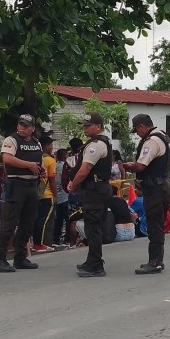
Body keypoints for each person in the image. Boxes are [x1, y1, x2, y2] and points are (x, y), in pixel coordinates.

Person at [0, 114, 45, 273]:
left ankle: (20, 257)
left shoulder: (36, 143)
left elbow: (38, 161)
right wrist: (29, 165)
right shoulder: (11, 140)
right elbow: (7, 159)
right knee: (9, 222)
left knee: (28, 222)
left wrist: (40, 169)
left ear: (32, 129)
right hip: (16, 184)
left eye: (26, 125)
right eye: (20, 124)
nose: (22, 127)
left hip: (32, 184)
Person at [122, 113, 170, 274]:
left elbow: (141, 166)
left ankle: (155, 261)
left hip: (155, 188)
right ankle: (158, 259)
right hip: (162, 185)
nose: (137, 134)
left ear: (142, 126)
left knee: (154, 223)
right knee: (157, 222)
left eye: (137, 130)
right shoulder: (162, 136)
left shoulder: (151, 141)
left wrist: (128, 166)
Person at [65, 112, 113, 277]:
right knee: (93, 226)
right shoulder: (97, 143)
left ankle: (96, 265)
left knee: (93, 227)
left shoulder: (96, 145)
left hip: (95, 190)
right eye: (84, 125)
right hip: (97, 189)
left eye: (88, 125)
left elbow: (84, 170)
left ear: (98, 126)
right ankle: (92, 260)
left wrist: (73, 184)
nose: (84, 128)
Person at [34, 133, 57, 255]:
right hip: (47, 194)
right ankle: (41, 243)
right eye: (50, 145)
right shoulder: (50, 160)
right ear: (45, 146)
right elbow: (52, 179)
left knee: (37, 218)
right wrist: (55, 194)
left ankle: (36, 242)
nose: (51, 147)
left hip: (37, 193)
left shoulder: (37, 158)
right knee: (45, 220)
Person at [51, 149, 72, 247]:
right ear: (65, 156)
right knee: (68, 219)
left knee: (58, 220)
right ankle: (68, 238)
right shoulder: (65, 166)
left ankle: (55, 239)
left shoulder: (54, 165)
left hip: (56, 196)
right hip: (65, 195)